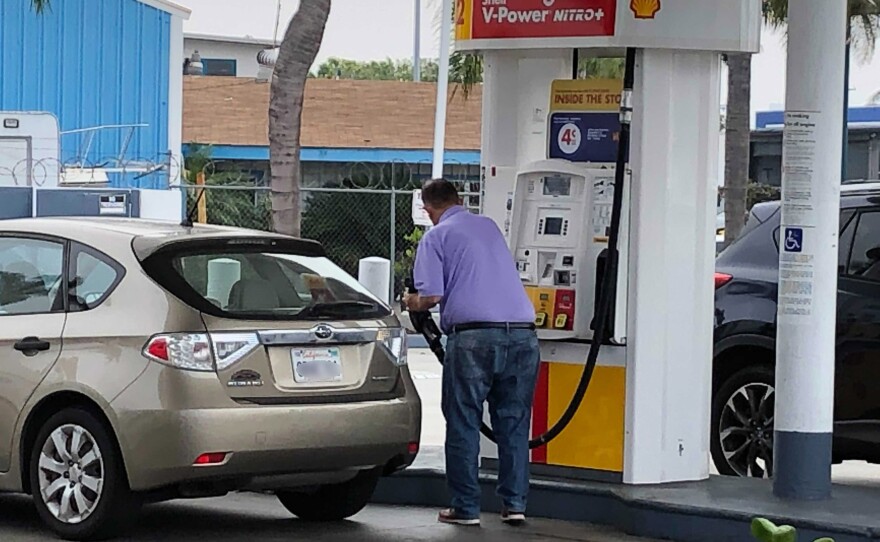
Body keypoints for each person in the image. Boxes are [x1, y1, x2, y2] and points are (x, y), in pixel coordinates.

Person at [403, 179, 540, 527]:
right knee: (514, 422)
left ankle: (465, 508)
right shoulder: (488, 226)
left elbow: (431, 296)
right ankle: (515, 504)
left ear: (428, 209)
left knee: (463, 421)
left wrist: (409, 301)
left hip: (474, 338)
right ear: (460, 200)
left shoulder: (436, 236)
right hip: (523, 336)